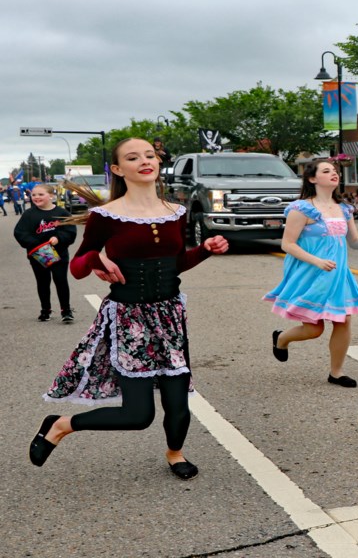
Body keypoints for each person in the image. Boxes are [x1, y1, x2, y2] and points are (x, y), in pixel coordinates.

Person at [28, 138, 229, 480]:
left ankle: (175, 453)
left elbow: (177, 263)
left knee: (179, 405)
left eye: (149, 155)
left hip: (169, 317)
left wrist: (206, 249)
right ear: (119, 170)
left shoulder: (175, 212)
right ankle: (61, 425)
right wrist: (96, 259)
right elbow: (77, 266)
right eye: (133, 158)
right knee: (138, 415)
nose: (145, 161)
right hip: (128, 319)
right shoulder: (106, 216)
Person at [263, 159, 358, 386]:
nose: (334, 174)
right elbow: (287, 244)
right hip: (311, 273)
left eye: (335, 171)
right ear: (312, 178)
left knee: (343, 320)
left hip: (337, 275)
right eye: (326, 171)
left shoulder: (344, 209)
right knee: (314, 329)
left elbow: (354, 242)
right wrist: (317, 261)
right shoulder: (302, 208)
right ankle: (282, 338)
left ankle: (336, 372)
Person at [14, 184, 77, 322]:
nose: (36, 197)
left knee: (60, 280)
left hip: (59, 253)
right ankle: (45, 310)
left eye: (41, 194)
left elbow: (70, 231)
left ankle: (66, 311)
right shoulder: (29, 214)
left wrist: (59, 238)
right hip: (39, 253)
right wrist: (36, 244)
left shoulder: (62, 213)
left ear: (51, 196)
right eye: (34, 194)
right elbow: (20, 232)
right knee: (43, 282)